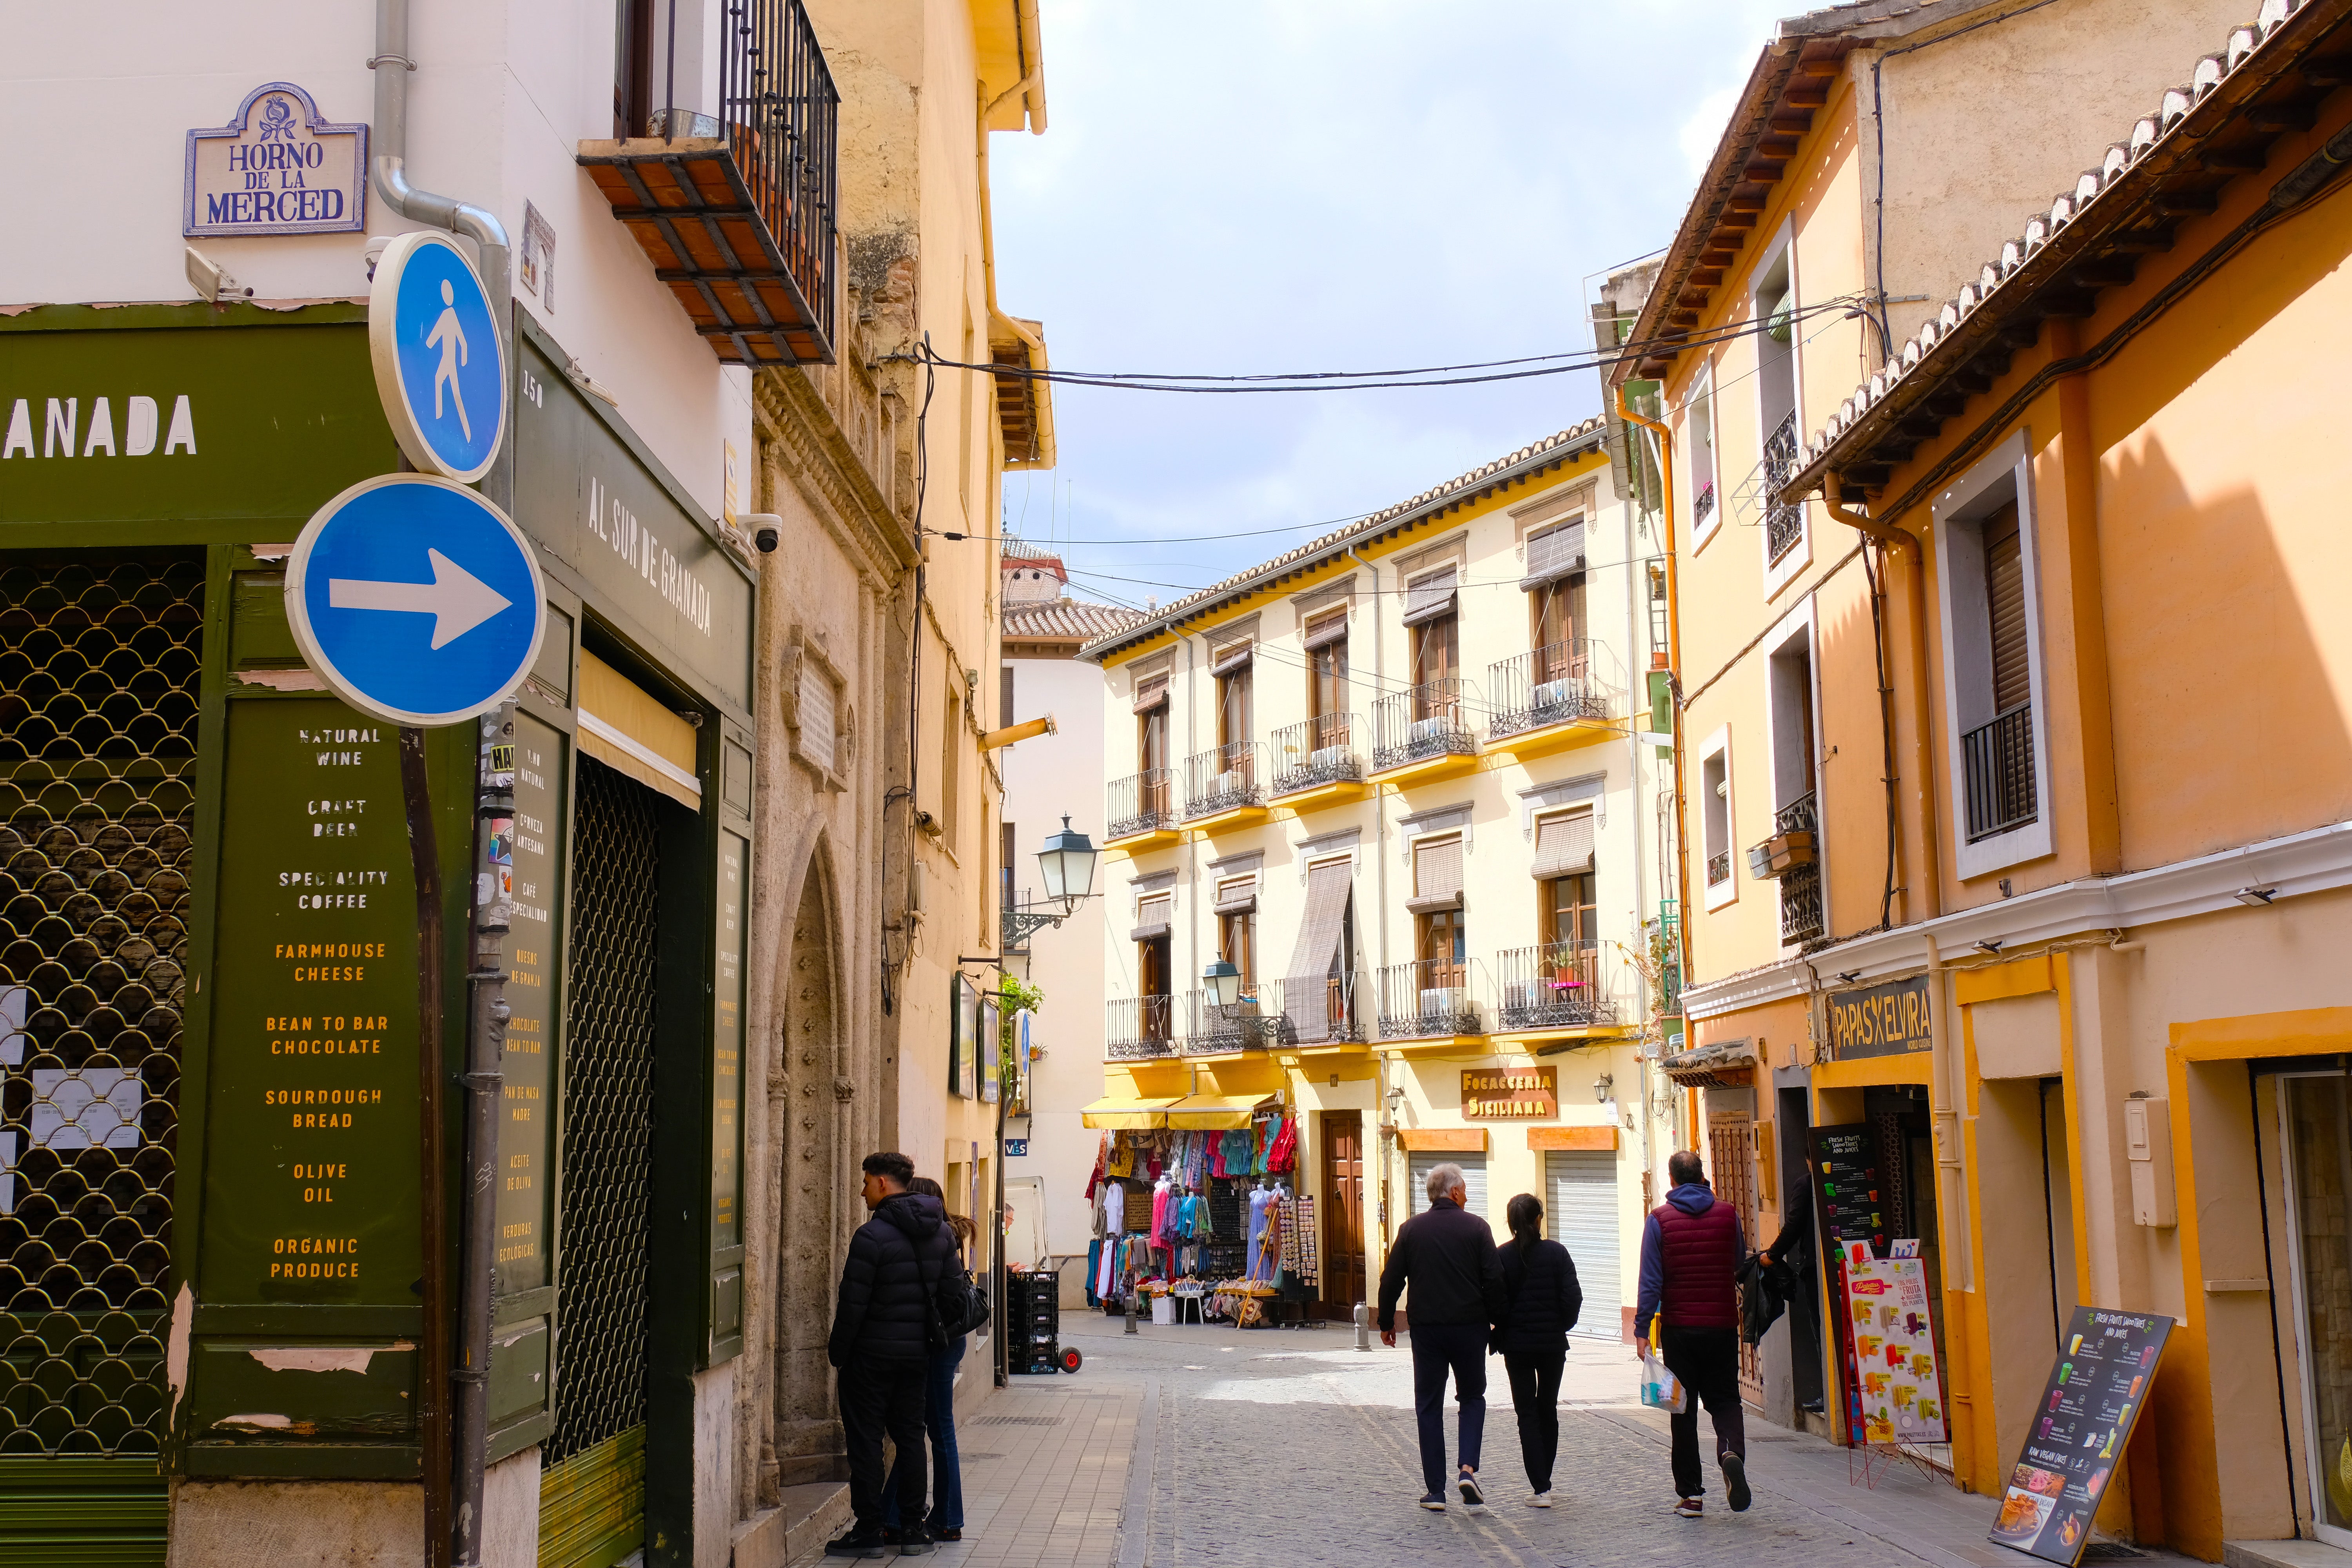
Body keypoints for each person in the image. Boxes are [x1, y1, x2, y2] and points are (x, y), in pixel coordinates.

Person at [826, 1152, 959, 1558]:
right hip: (915, 1358)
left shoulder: (871, 1236)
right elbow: (954, 1300)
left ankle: (869, 1530)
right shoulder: (941, 1233)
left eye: (866, 1181)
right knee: (910, 1438)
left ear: (884, 1182)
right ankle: (914, 1528)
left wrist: (839, 1354)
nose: (863, 1189)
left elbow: (853, 1303)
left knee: (866, 1442)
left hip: (869, 1358)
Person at [1377, 1161, 1506, 1512]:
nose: (1467, 1193)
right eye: (1464, 1187)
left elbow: (1391, 1280)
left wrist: (1386, 1321)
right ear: (1454, 1192)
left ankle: (1436, 1491)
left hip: (1428, 1331)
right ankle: (1467, 1469)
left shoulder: (1411, 1229)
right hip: (1469, 1328)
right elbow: (1494, 1280)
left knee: (1429, 1405)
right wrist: (1498, 1324)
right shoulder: (1478, 1228)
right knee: (1472, 1397)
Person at [1634, 1149, 1751, 1519]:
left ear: (1671, 1180)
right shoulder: (1728, 1214)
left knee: (1681, 1411)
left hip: (1680, 1331)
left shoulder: (1659, 1220)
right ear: (1703, 1176)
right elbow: (1737, 1263)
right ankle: (1730, 1452)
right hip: (1720, 1326)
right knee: (1726, 1401)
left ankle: (1691, 1497)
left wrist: (1642, 1330)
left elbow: (1651, 1282)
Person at [882, 1178, 976, 1545]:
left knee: (932, 1430)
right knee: (922, 1430)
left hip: (938, 1343)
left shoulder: (934, 1239)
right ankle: (896, 1513)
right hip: (948, 1342)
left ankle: (946, 1518)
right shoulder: (948, 1234)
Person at [1492, 1193, 1583, 1507]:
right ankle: (1545, 1477)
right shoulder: (1557, 1254)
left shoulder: (1501, 1256)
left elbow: (1495, 1301)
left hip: (1516, 1347)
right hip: (1552, 1346)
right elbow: (1573, 1298)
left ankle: (1540, 1486)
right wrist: (1561, 1326)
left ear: (1511, 1223)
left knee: (1526, 1413)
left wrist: (1502, 1328)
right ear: (1538, 1220)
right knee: (1548, 1408)